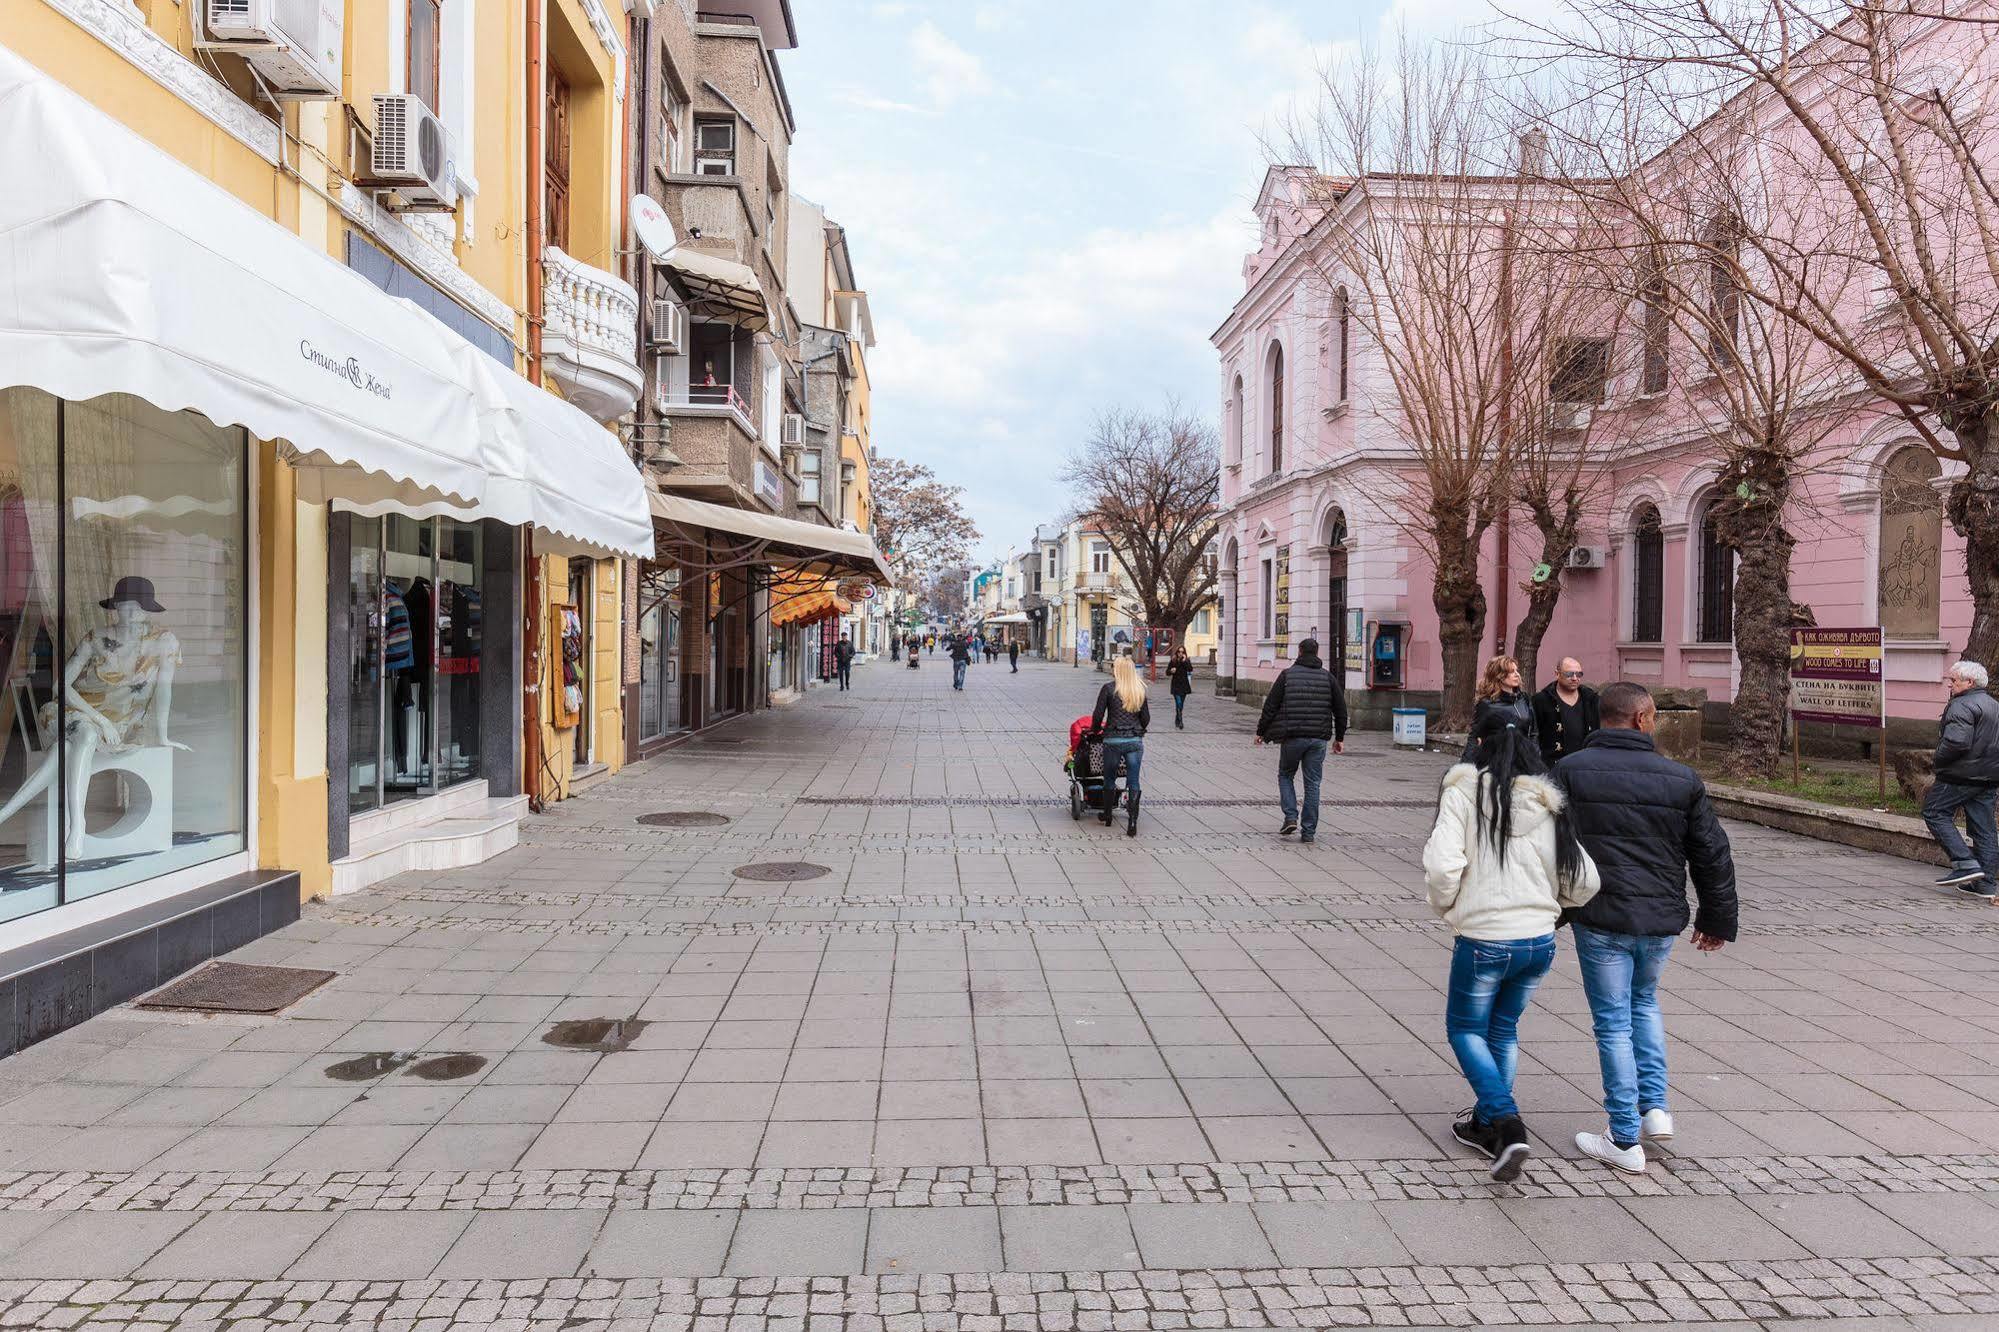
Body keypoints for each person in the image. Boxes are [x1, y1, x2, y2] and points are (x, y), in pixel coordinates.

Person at [1553, 681, 1737, 1175]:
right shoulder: (1680, 777)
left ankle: (1622, 1136)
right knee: (1644, 1002)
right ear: (1642, 719)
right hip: (1659, 916)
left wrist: (1547, 910)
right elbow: (1712, 853)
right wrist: (1716, 918)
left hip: (1600, 914)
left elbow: (1546, 842)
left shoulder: (1570, 771)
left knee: (1613, 1020)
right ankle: (1654, 1109)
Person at [1423, 712, 1600, 1181]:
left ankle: (1506, 1121)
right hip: (1538, 941)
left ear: (1477, 741)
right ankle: (1485, 1125)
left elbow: (1443, 867)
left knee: (1464, 1030)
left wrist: (1449, 908)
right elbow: (1584, 880)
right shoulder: (1547, 803)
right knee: (1502, 1029)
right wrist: (1551, 910)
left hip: (1484, 938)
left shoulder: (1461, 794)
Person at [1255, 638, 1348, 844]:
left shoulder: (1287, 675)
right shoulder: (1328, 678)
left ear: (1299, 652)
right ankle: (1308, 832)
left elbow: (1271, 705)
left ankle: (1290, 816)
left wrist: (1261, 731)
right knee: (1313, 783)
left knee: (1286, 775)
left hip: (1293, 737)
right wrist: (1339, 738)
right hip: (1318, 739)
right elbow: (1341, 710)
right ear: (1317, 653)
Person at [1924, 661, 1999, 897]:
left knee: (1934, 811)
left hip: (1960, 774)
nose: (1950, 684)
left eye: (1954, 680)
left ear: (1970, 682)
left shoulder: (1961, 705)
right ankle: (1985, 884)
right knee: (1984, 828)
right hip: (1989, 776)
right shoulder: (1994, 705)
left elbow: (1957, 742)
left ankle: (1964, 863)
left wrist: (1938, 761)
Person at [1091, 655, 1150, 835]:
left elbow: (1098, 716)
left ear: (1118, 670)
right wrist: (1137, 729)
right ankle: (1132, 822)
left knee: (1109, 777)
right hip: (1134, 741)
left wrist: (1095, 730)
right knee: (1133, 780)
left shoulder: (1108, 689)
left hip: (1113, 741)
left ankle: (1107, 815)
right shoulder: (1139, 689)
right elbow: (1146, 719)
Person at [1463, 657, 1536, 762]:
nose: (1517, 674)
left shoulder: (1523, 699)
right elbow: (1475, 736)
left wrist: (1534, 753)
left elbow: (1534, 732)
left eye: (1517, 670)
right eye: (1511, 672)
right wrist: (1465, 766)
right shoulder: (1487, 704)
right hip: (1497, 762)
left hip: (1524, 760)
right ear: (1499, 676)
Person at [1531, 658, 1601, 765]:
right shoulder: (1541, 700)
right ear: (1557, 674)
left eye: (1578, 674)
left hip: (1586, 764)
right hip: (1553, 765)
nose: (1574, 678)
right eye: (1569, 674)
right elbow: (1534, 735)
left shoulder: (1591, 699)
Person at [1167, 648, 1195, 729]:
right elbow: (1167, 672)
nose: (1180, 653)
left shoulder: (1186, 660)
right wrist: (1171, 671)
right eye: (1179, 651)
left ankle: (1177, 719)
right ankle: (1181, 721)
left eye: (1182, 652)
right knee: (1178, 702)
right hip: (1176, 685)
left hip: (1184, 685)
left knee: (1181, 704)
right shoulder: (1173, 660)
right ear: (1177, 652)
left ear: (1184, 653)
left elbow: (1190, 669)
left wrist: (1185, 661)